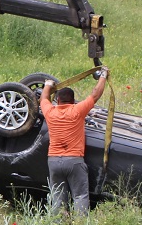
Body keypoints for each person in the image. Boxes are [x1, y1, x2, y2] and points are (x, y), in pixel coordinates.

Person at [40, 67, 109, 215]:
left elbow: (43, 99)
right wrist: (103, 76)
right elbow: (95, 95)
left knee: (58, 198)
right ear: (73, 101)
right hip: (74, 161)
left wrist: (48, 85)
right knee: (80, 196)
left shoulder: (50, 112)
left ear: (57, 100)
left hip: (53, 161)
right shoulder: (77, 111)